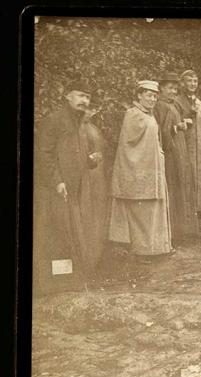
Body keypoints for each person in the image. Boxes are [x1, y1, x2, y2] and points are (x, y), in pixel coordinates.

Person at [34, 79, 108, 293]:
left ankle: (68, 280)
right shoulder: (54, 120)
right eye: (80, 95)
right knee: (55, 235)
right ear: (67, 96)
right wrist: (57, 180)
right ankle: (52, 284)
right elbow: (44, 154)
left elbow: (72, 156)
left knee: (70, 235)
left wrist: (90, 160)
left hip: (72, 190)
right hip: (54, 190)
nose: (84, 101)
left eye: (87, 97)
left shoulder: (77, 123)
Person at [108, 80, 172, 258]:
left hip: (153, 168)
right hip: (140, 170)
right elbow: (128, 145)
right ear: (139, 95)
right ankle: (142, 250)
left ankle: (155, 248)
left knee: (151, 210)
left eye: (155, 96)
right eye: (149, 95)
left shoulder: (149, 115)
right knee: (141, 211)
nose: (153, 99)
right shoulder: (133, 114)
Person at [153, 72, 199, 244]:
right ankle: (172, 234)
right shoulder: (161, 106)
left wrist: (182, 123)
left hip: (179, 152)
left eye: (174, 88)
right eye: (169, 88)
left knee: (180, 189)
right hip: (171, 154)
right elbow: (162, 132)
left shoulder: (172, 106)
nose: (173, 91)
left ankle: (180, 232)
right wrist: (177, 128)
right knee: (172, 190)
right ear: (162, 89)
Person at [175, 70, 201, 219]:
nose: (192, 84)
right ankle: (188, 210)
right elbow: (176, 123)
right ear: (182, 83)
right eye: (189, 81)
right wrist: (189, 113)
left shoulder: (200, 103)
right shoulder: (177, 101)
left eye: (195, 81)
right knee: (189, 174)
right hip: (186, 145)